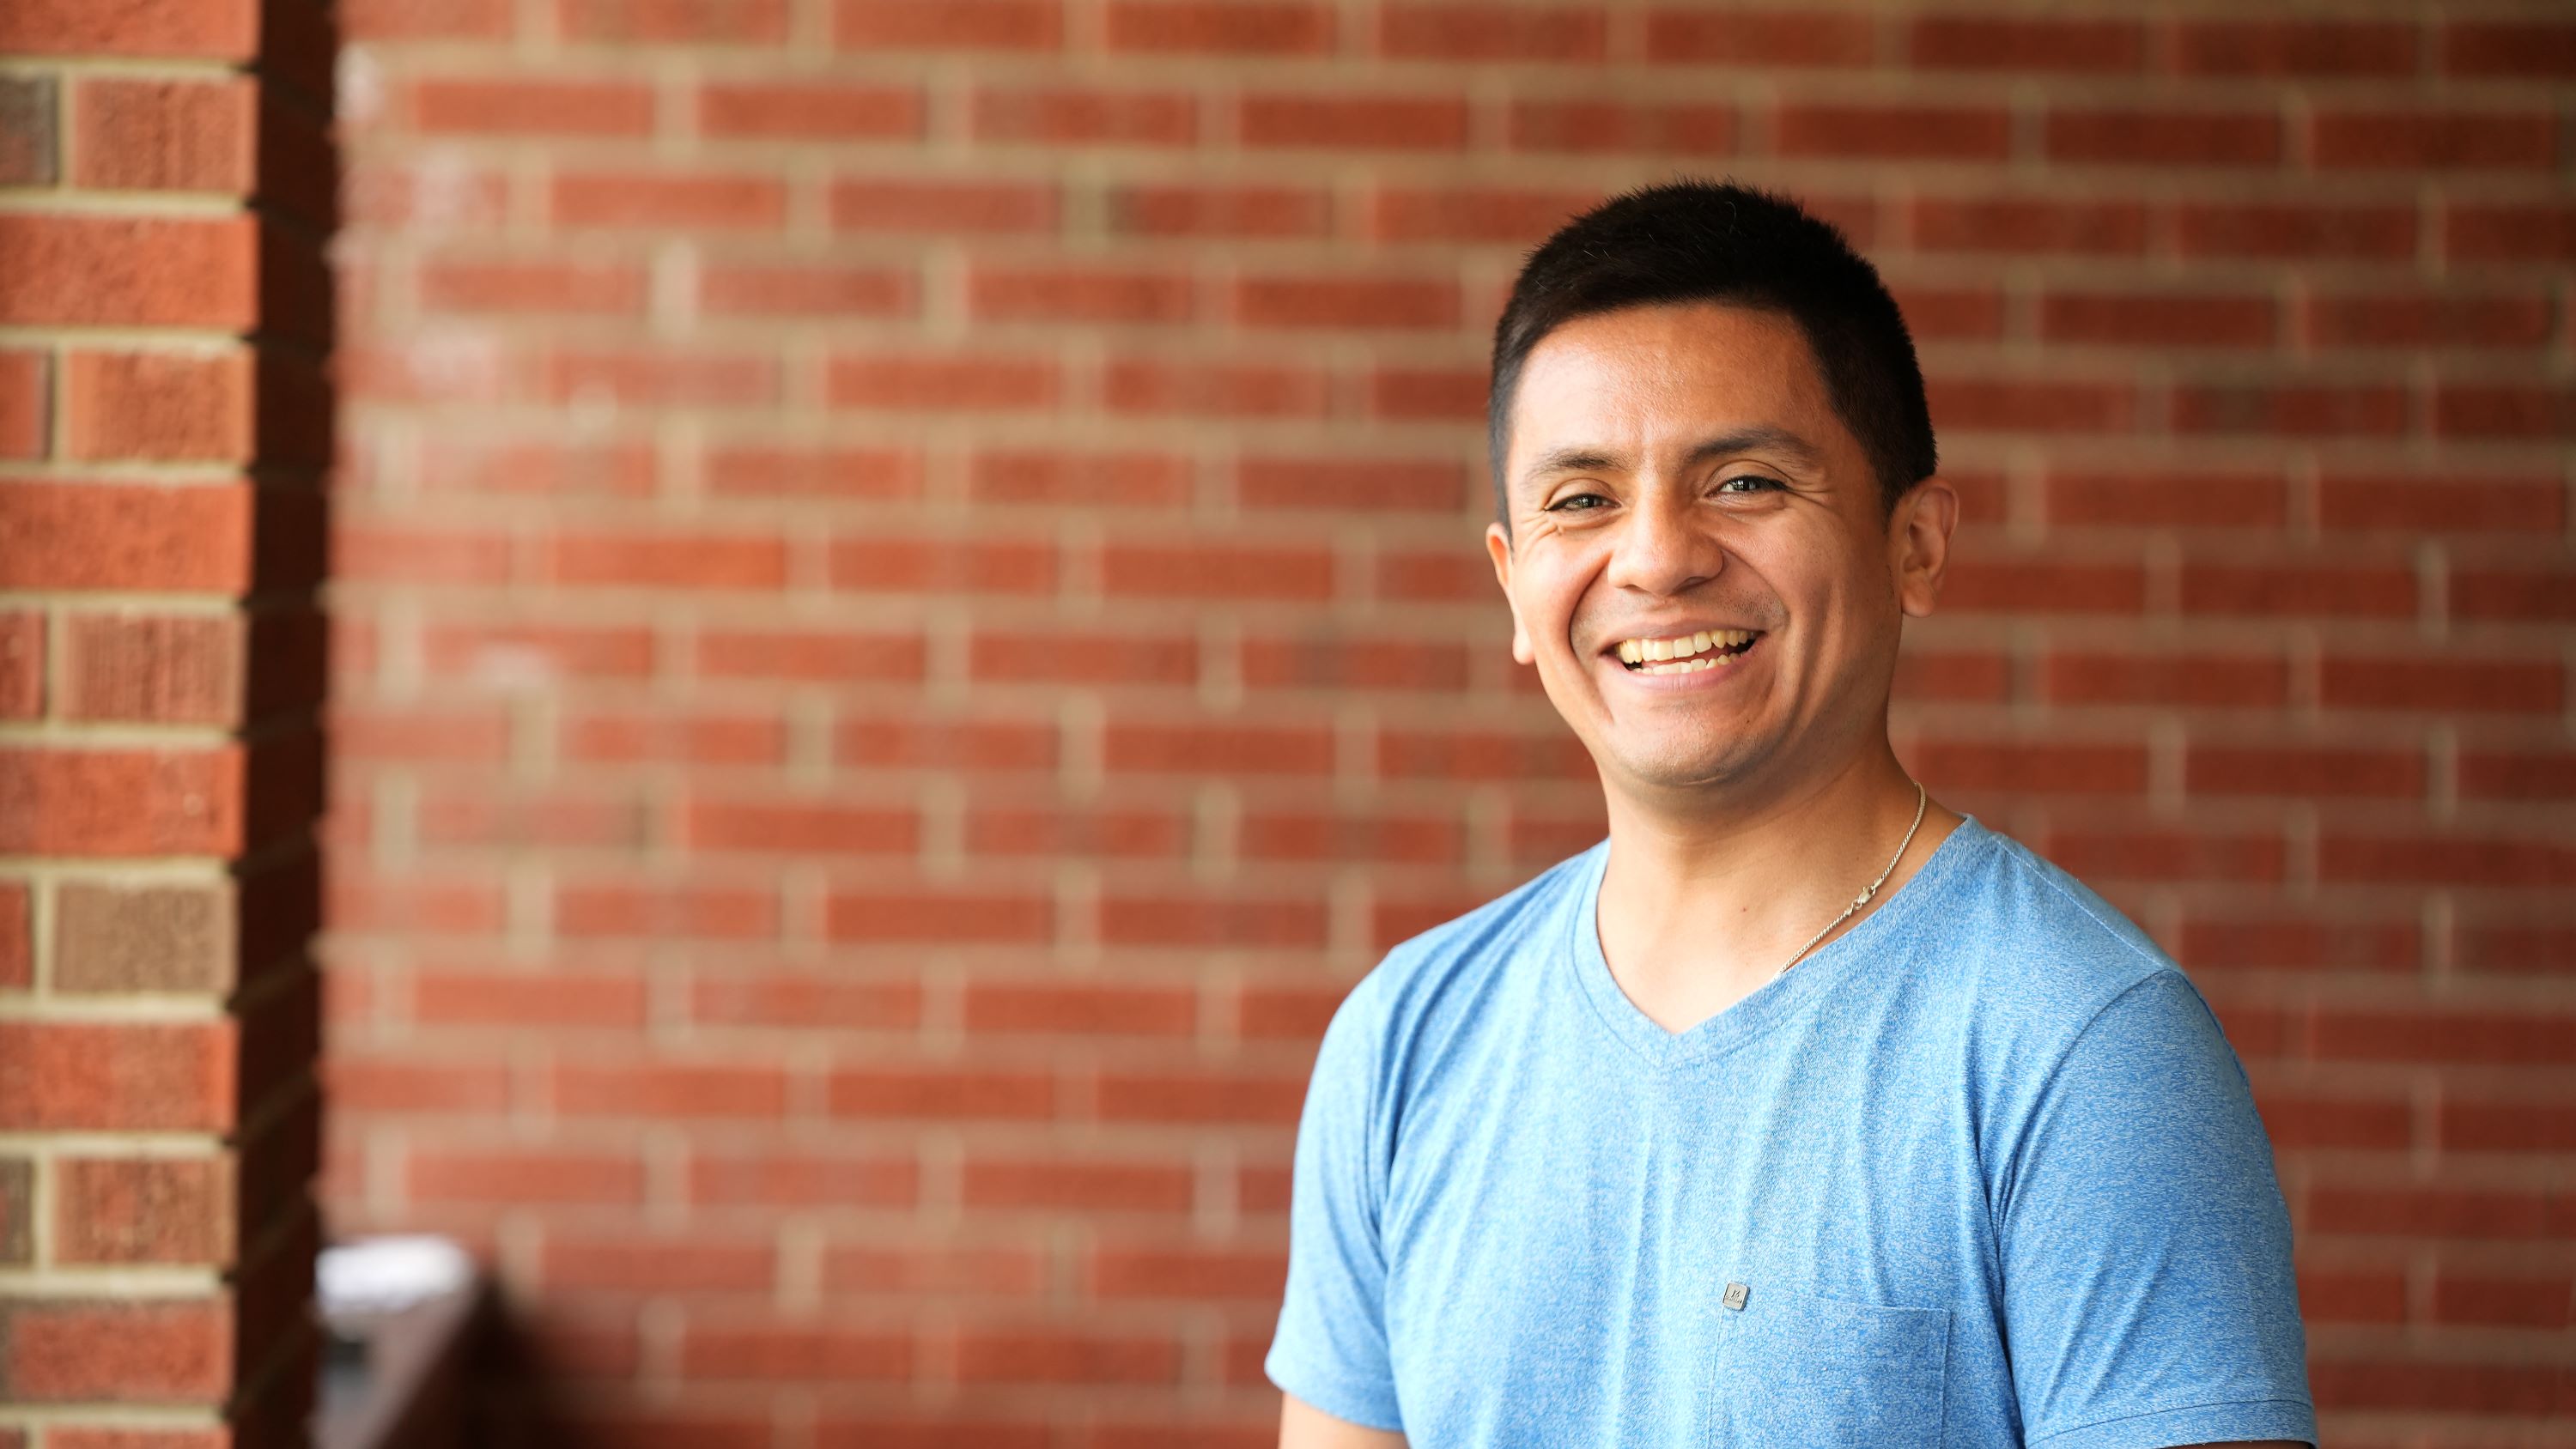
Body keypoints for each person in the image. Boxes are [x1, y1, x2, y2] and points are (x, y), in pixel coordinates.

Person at [1264, 180, 2316, 1449]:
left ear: (1915, 545)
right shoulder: (1404, 1042)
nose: (1656, 557)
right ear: (1512, 581)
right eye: (1582, 499)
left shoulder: (2079, 1048)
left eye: (1746, 480)